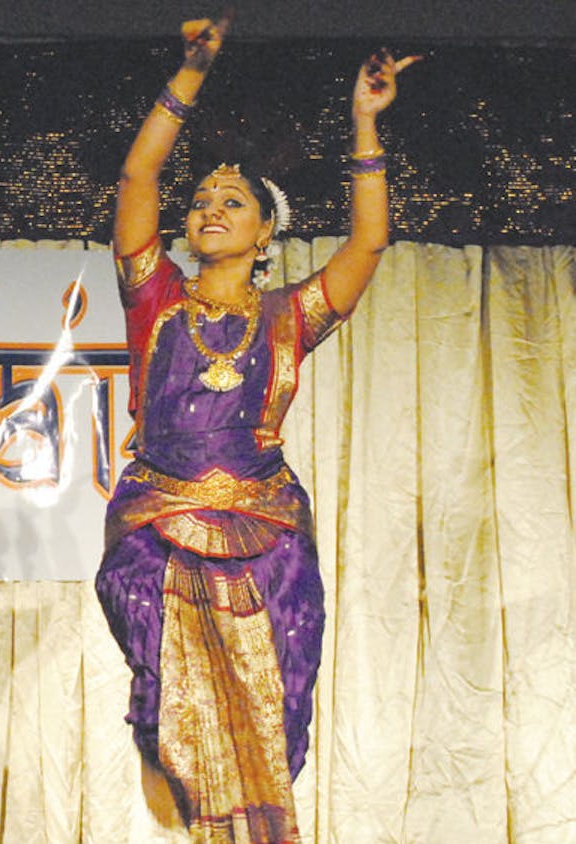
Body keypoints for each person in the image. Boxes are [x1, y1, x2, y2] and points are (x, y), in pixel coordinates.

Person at [93, 14, 415, 842]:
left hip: (267, 528)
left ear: (265, 232)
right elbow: (137, 177)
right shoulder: (156, 300)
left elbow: (370, 241)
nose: (208, 208)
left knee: (278, 699)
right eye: (200, 200)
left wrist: (365, 123)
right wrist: (192, 72)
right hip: (158, 520)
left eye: (231, 202)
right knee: (163, 695)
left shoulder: (289, 316)